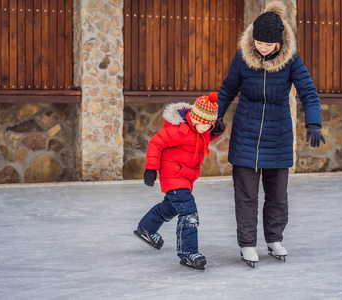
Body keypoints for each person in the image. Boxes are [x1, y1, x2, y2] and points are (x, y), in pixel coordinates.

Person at [216, 1, 325, 268]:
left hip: (278, 135)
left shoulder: (291, 60)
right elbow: (228, 89)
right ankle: (247, 244)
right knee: (246, 195)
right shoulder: (243, 57)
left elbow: (308, 93)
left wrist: (314, 123)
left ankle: (274, 239)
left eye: (268, 44)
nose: (262, 48)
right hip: (246, 135)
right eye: (258, 43)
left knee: (277, 195)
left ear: (279, 43)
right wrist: (214, 115)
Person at [134, 92, 224, 271]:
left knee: (171, 206)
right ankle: (188, 252)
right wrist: (151, 169)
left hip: (184, 177)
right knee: (188, 211)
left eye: (209, 125)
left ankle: (146, 228)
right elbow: (155, 143)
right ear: (194, 117)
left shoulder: (201, 129)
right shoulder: (178, 130)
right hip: (174, 176)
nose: (205, 128)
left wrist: (215, 132)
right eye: (203, 123)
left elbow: (201, 137)